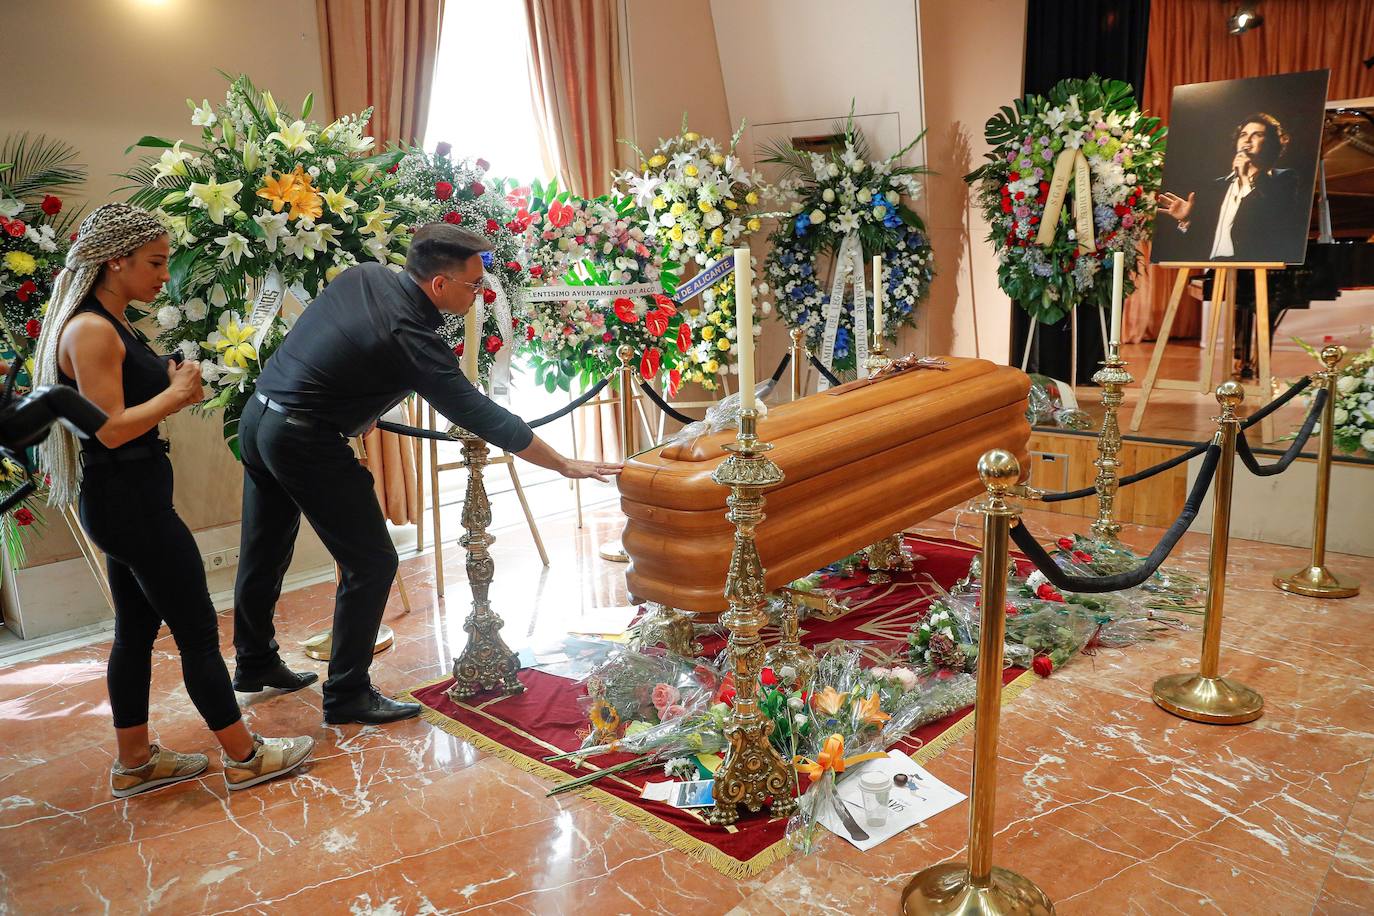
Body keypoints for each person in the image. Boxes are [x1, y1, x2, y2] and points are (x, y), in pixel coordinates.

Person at [233, 223, 622, 725]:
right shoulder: (409, 332)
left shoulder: (366, 275)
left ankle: (255, 662)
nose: (480, 294)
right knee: (371, 563)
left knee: (263, 549)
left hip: (260, 415)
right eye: (474, 285)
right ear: (439, 285)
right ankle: (347, 694)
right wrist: (564, 463)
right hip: (303, 439)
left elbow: (334, 343)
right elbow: (478, 411)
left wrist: (356, 401)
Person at [33, 204, 314, 797]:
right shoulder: (90, 330)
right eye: (156, 262)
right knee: (196, 631)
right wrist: (178, 394)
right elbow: (106, 428)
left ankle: (134, 763)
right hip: (130, 503)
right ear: (117, 260)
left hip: (127, 500)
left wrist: (167, 375)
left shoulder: (113, 322)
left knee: (134, 633)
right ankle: (244, 756)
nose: (166, 274)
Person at [1157, 112, 1302, 262]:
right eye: (1243, 134)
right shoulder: (1217, 186)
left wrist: (1246, 180)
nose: (1247, 139)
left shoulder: (1284, 179)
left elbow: (1272, 226)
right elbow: (1199, 242)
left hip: (1249, 270)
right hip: (1213, 268)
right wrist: (1187, 221)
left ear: (1271, 143)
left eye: (1257, 134)